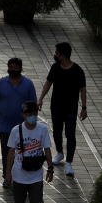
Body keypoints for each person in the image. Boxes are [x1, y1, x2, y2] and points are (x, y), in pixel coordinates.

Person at [0, 58, 37, 188]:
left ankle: (22, 176)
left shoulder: (28, 84)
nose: (13, 69)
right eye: (10, 67)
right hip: (4, 126)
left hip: (23, 126)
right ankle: (7, 176)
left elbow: (33, 105)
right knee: (6, 152)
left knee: (23, 152)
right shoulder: (1, 83)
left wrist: (32, 122)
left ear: (21, 68)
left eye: (15, 67)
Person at [5, 101, 54, 203]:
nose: (32, 116)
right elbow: (11, 153)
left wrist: (50, 168)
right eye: (29, 114)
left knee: (37, 201)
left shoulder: (42, 129)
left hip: (36, 174)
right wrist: (8, 173)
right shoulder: (16, 130)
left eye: (35, 113)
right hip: (19, 174)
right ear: (23, 115)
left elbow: (47, 149)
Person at [37, 42, 87, 177]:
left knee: (70, 134)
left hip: (71, 108)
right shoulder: (55, 68)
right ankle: (59, 153)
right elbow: (48, 83)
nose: (55, 55)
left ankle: (69, 162)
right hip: (56, 106)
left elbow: (83, 89)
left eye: (56, 53)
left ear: (62, 55)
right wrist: (40, 98)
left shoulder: (77, 70)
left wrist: (84, 107)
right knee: (57, 131)